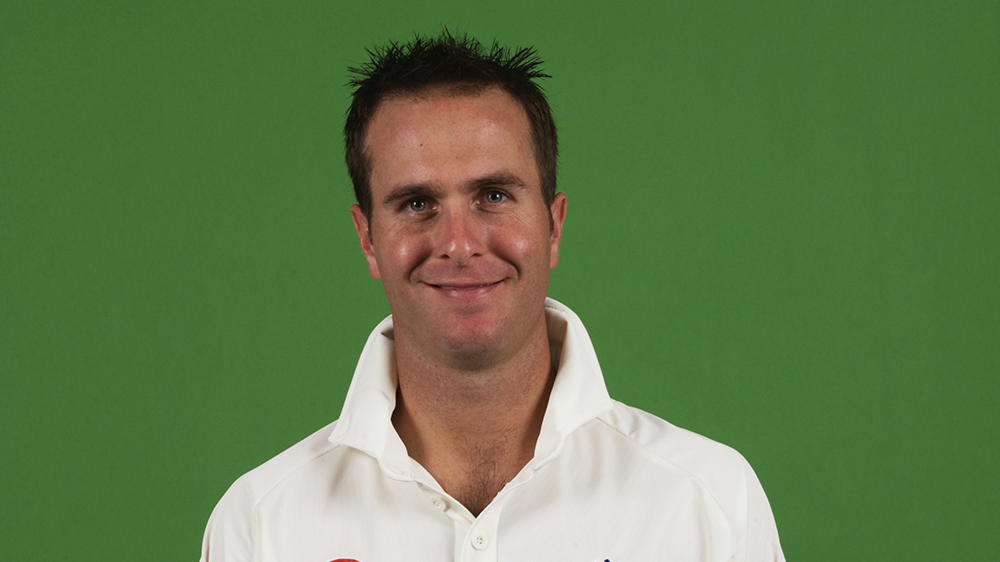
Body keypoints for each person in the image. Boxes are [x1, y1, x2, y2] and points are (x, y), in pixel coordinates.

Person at [200, 31, 785, 562]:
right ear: (368, 240)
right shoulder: (261, 526)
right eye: (417, 203)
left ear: (553, 226)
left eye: (494, 196)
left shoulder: (708, 503)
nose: (458, 243)